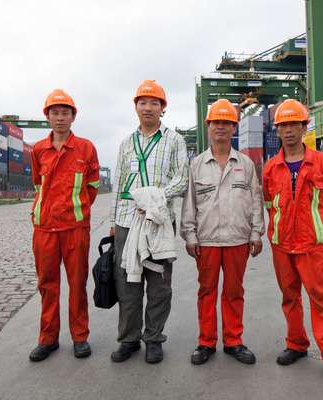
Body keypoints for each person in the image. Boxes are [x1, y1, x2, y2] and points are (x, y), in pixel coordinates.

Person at [262, 99, 323, 388]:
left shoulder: (322, 162)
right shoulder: (271, 168)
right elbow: (268, 204)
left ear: (304, 126)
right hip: (281, 244)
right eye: (282, 125)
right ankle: (296, 344)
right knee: (290, 298)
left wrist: (309, 221)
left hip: (312, 245)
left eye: (293, 124)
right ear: (277, 130)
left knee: (322, 300)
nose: (288, 130)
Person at [109, 80, 189, 364]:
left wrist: (153, 199)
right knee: (127, 285)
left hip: (158, 223)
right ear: (135, 107)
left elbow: (182, 179)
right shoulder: (126, 144)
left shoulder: (174, 140)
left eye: (154, 102)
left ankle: (153, 338)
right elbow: (118, 182)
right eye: (143, 102)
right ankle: (129, 339)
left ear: (162, 108)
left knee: (159, 287)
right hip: (127, 223)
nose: (148, 107)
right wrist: (112, 220)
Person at [181, 99, 264, 365]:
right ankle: (206, 342)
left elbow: (255, 200)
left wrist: (256, 233)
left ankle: (233, 341)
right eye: (216, 122)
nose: (221, 127)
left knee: (233, 292)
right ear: (208, 127)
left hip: (237, 239)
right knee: (206, 291)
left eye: (226, 123)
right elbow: (189, 203)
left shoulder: (246, 164)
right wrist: (190, 235)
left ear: (233, 128)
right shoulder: (196, 165)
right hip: (206, 241)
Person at [28, 89, 100, 362]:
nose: (60, 118)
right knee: (48, 285)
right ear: (47, 117)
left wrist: (76, 209)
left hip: (74, 228)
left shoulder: (85, 148)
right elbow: (38, 184)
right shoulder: (38, 150)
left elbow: (92, 186)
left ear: (73, 117)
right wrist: (44, 210)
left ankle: (80, 337)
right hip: (44, 228)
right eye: (55, 113)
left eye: (65, 113)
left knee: (77, 283)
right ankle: (48, 339)